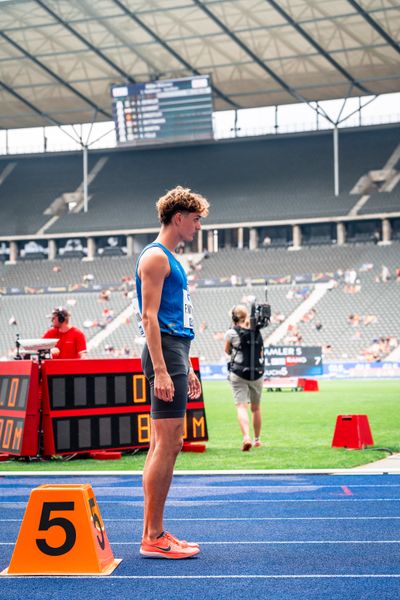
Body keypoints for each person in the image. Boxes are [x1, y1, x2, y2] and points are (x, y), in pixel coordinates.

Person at [135, 185, 209, 560]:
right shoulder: (156, 258)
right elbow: (149, 317)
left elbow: (176, 317)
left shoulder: (170, 260)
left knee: (161, 444)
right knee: (169, 443)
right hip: (163, 350)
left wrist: (188, 365)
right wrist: (162, 370)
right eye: (195, 220)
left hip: (175, 349)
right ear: (178, 217)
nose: (198, 227)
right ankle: (153, 536)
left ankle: (154, 531)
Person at [224, 305, 264, 452]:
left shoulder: (231, 333)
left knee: (241, 406)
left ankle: (246, 437)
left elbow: (227, 351)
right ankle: (257, 440)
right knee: (256, 408)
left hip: (239, 373)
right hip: (257, 373)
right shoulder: (256, 330)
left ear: (234, 318)